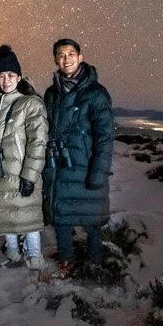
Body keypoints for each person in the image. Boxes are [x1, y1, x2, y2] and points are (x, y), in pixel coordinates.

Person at [44, 37, 115, 276]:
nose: (66, 59)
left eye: (71, 54)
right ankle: (67, 259)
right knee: (61, 217)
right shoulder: (52, 93)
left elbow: (105, 137)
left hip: (86, 167)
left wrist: (99, 171)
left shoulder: (96, 93)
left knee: (92, 219)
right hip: (60, 166)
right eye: (61, 55)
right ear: (56, 60)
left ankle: (95, 262)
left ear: (80, 57)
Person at [0, 44, 51, 270]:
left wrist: (30, 175)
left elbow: (38, 142)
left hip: (21, 171)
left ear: (19, 76)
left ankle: (35, 256)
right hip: (0, 171)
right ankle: (13, 253)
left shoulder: (30, 103)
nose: (6, 80)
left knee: (27, 215)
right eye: (1, 76)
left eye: (11, 75)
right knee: (6, 211)